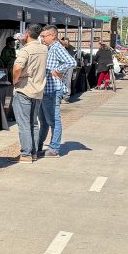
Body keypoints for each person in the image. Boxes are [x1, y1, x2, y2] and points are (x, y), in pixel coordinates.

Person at [37, 26, 76, 158]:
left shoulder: (57, 47)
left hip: (53, 90)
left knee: (53, 120)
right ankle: (38, 146)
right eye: (41, 36)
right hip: (46, 89)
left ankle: (54, 148)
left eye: (44, 36)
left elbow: (71, 62)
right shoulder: (50, 48)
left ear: (53, 36)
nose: (42, 38)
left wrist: (58, 71)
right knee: (43, 121)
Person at [12, 25, 47, 162]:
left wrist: (15, 81)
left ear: (26, 33)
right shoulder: (44, 48)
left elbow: (17, 67)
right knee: (33, 123)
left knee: (24, 124)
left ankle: (26, 154)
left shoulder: (25, 51)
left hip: (24, 89)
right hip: (38, 89)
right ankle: (33, 152)